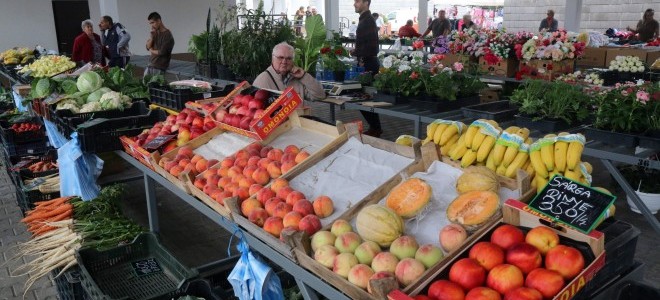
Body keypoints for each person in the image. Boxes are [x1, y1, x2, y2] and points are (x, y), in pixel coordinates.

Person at [253, 42, 326, 102]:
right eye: (280, 57)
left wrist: (304, 76)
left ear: (293, 60)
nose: (284, 62)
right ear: (273, 59)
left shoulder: (297, 77)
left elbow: (320, 96)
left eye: (289, 58)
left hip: (300, 118)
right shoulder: (263, 80)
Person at [353, 0, 382, 137]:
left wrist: (357, 52)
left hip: (368, 64)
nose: (354, 4)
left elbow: (373, 48)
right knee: (364, 98)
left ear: (366, 2)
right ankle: (375, 127)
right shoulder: (365, 20)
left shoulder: (368, 21)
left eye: (357, 1)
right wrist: (357, 51)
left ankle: (376, 128)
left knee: (364, 98)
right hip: (366, 62)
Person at [144, 12, 175, 78]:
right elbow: (147, 47)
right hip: (150, 65)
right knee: (145, 86)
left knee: (155, 87)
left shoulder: (167, 35)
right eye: (150, 23)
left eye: (153, 22)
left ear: (159, 21)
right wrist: (152, 37)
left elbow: (162, 52)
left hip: (160, 67)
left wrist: (151, 50)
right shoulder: (155, 32)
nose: (151, 25)